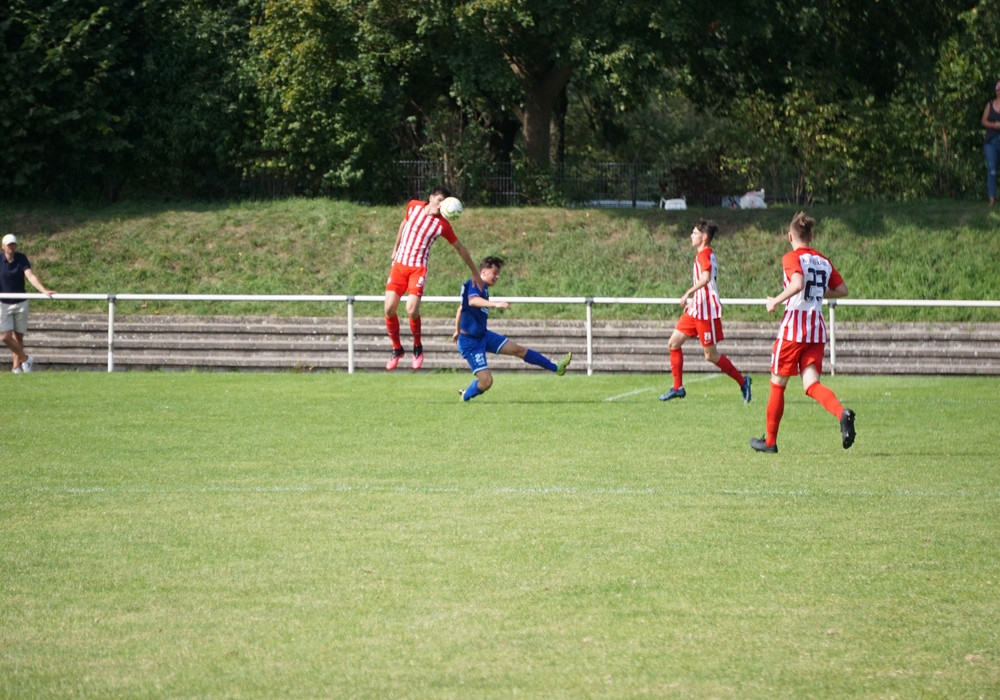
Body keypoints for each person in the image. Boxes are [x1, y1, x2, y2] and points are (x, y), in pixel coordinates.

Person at [750, 212, 855, 453]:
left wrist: (775, 301)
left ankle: (770, 442)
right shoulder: (823, 261)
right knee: (811, 384)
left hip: (794, 329)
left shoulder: (791, 257)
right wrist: (816, 293)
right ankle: (842, 413)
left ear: (790, 236)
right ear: (812, 236)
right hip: (816, 330)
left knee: (777, 383)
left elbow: (797, 283)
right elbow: (842, 289)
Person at [384, 185, 483, 370]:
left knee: (411, 309)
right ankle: (397, 349)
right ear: (431, 198)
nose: (440, 206)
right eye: (439, 201)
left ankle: (417, 346)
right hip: (399, 265)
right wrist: (395, 248)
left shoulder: (442, 225)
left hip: (417, 269)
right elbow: (403, 224)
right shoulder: (413, 206)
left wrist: (475, 272)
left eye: (444, 203)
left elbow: (460, 248)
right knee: (389, 308)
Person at [453, 256, 572, 401]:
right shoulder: (475, 283)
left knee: (518, 350)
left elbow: (460, 309)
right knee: (487, 382)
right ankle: (465, 395)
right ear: (483, 272)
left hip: (483, 335)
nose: (497, 276)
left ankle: (556, 368)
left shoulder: (482, 288)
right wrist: (496, 304)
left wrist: (456, 330)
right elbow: (472, 301)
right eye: (495, 273)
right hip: (470, 342)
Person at [659, 219, 752, 404]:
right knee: (673, 343)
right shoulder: (704, 254)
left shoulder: (704, 254)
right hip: (697, 308)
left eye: (695, 233)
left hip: (706, 311)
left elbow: (706, 278)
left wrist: (688, 292)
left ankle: (743, 382)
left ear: (704, 237)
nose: (691, 236)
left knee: (711, 355)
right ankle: (677, 388)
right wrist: (693, 301)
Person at [1, 234, 56, 373]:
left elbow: (30, 276)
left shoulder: (21, 258)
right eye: (8, 245)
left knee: (18, 336)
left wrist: (43, 290)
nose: (11, 247)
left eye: (13, 244)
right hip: (3, 303)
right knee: (5, 337)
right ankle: (26, 359)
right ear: (3, 246)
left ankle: (16, 368)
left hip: (20, 302)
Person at [981, 79, 1000, 206]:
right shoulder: (990, 104)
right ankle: (991, 199)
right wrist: (994, 125)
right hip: (991, 142)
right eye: (998, 87)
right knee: (992, 170)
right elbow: (984, 121)